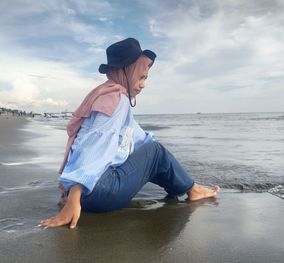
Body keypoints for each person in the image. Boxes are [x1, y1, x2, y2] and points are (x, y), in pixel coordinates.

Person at [39, 38, 220, 229]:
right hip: (99, 193)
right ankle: (193, 190)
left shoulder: (106, 94)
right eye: (141, 77)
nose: (143, 84)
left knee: (154, 150)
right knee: (156, 152)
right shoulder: (116, 99)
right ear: (125, 71)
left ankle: (183, 188)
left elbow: (139, 139)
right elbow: (93, 145)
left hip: (88, 194)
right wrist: (74, 198)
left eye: (145, 79)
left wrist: (72, 192)